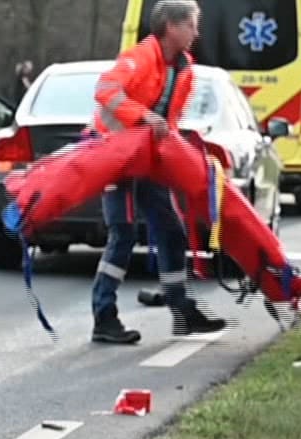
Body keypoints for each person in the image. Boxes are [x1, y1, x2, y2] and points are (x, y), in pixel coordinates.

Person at [88, 0, 225, 342]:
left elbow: (171, 122)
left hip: (147, 159)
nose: (197, 32)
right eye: (192, 25)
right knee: (123, 233)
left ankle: (182, 313)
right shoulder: (139, 57)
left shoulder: (183, 69)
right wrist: (143, 116)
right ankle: (104, 317)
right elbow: (105, 90)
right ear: (172, 28)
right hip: (116, 157)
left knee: (172, 231)